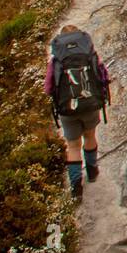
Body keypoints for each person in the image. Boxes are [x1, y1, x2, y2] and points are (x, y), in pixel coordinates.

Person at [44, 24, 111, 199]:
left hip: (67, 109)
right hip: (90, 104)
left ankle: (76, 187)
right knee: (89, 136)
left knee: (73, 146)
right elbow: (103, 76)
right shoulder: (89, 54)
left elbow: (48, 87)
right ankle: (92, 171)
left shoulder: (56, 60)